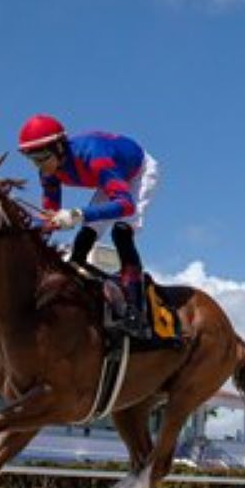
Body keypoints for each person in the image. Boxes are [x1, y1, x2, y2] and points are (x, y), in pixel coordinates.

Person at [17, 113, 160, 338]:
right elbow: (49, 217)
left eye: (42, 158)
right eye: (33, 160)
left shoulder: (95, 156)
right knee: (84, 240)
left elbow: (125, 205)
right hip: (111, 176)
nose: (41, 167)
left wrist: (76, 214)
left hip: (137, 173)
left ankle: (135, 313)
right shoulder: (48, 170)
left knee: (121, 232)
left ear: (60, 147)